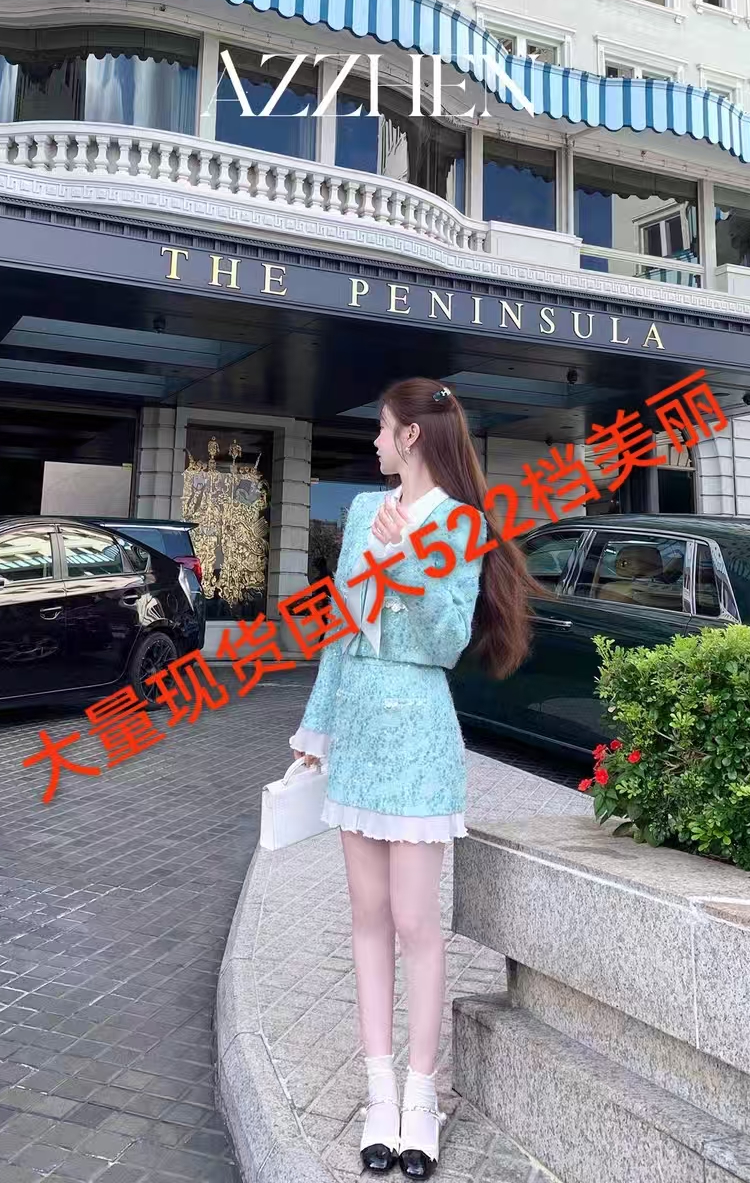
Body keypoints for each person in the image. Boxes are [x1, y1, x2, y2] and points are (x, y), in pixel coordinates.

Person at [289, 377, 535, 1179]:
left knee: (414, 922)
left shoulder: (462, 525)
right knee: (366, 916)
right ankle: (379, 1096)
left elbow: (444, 641)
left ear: (412, 436)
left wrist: (406, 562)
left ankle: (422, 1099)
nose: (373, 441)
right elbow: (340, 630)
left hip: (419, 734)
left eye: (382, 428)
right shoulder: (363, 511)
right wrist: (315, 734)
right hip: (358, 731)